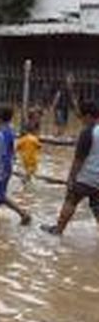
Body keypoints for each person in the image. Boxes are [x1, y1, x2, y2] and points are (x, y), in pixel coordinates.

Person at [41, 100, 99, 236]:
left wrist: (71, 178)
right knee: (97, 207)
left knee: (71, 200)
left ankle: (58, 230)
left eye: (82, 117)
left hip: (85, 177)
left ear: (89, 116)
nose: (81, 121)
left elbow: (79, 160)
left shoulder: (87, 133)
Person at [0, 106, 32, 225]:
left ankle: (23, 214)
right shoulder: (9, 129)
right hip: (6, 166)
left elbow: (2, 152)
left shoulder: (2, 132)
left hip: (1, 167)